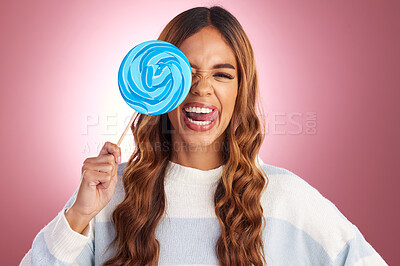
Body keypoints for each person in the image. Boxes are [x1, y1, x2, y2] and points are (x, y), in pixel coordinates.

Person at [20, 6, 387, 266]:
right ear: (160, 83)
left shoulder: (284, 199)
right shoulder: (106, 196)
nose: (202, 88)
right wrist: (79, 215)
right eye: (187, 71)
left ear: (241, 91)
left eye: (222, 74)